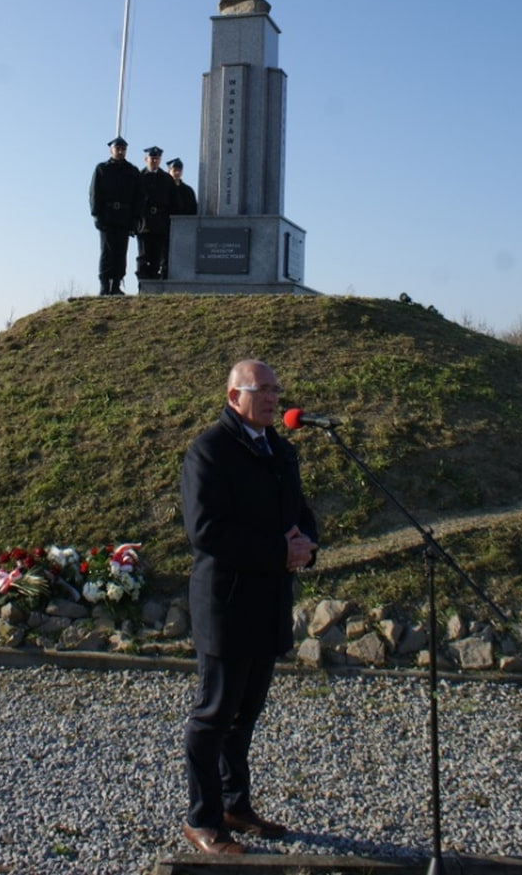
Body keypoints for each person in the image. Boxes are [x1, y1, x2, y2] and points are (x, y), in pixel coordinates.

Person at [180, 359, 318, 856]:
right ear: (234, 394)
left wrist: (307, 546)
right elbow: (206, 531)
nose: (273, 398)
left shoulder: (281, 450)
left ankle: (236, 804)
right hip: (227, 603)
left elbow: (301, 512)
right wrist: (279, 552)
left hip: (269, 600)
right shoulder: (209, 451)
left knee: (247, 714)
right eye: (262, 389)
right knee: (214, 714)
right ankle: (202, 818)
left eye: (276, 390)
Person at [88, 136, 141, 295]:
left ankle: (116, 284)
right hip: (107, 216)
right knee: (107, 251)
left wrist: (135, 219)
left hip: (124, 217)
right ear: (111, 150)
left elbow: (138, 197)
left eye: (123, 149)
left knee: (121, 252)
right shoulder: (102, 169)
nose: (120, 151)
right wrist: (96, 215)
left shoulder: (132, 171)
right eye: (117, 149)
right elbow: (94, 193)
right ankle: (104, 285)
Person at [136, 146, 176, 281]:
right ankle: (143, 285)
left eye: (157, 159)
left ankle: (154, 284)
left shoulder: (166, 179)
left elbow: (173, 202)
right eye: (152, 158)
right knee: (143, 257)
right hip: (144, 223)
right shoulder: (139, 177)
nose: (154, 161)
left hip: (161, 222)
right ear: (146, 159)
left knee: (157, 257)